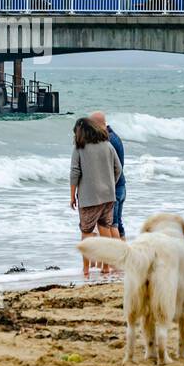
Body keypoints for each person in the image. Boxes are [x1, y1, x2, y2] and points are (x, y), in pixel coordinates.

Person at [70, 116, 122, 277]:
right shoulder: (107, 145)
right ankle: (106, 267)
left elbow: (75, 173)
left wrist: (72, 196)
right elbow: (118, 168)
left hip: (89, 198)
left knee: (86, 232)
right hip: (108, 196)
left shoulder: (80, 148)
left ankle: (86, 269)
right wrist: (110, 185)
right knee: (105, 228)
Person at [89, 111, 126, 239]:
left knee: (111, 226)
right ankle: (125, 258)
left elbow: (116, 168)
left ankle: (114, 258)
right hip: (121, 186)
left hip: (114, 189)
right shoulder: (114, 136)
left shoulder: (108, 140)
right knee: (118, 226)